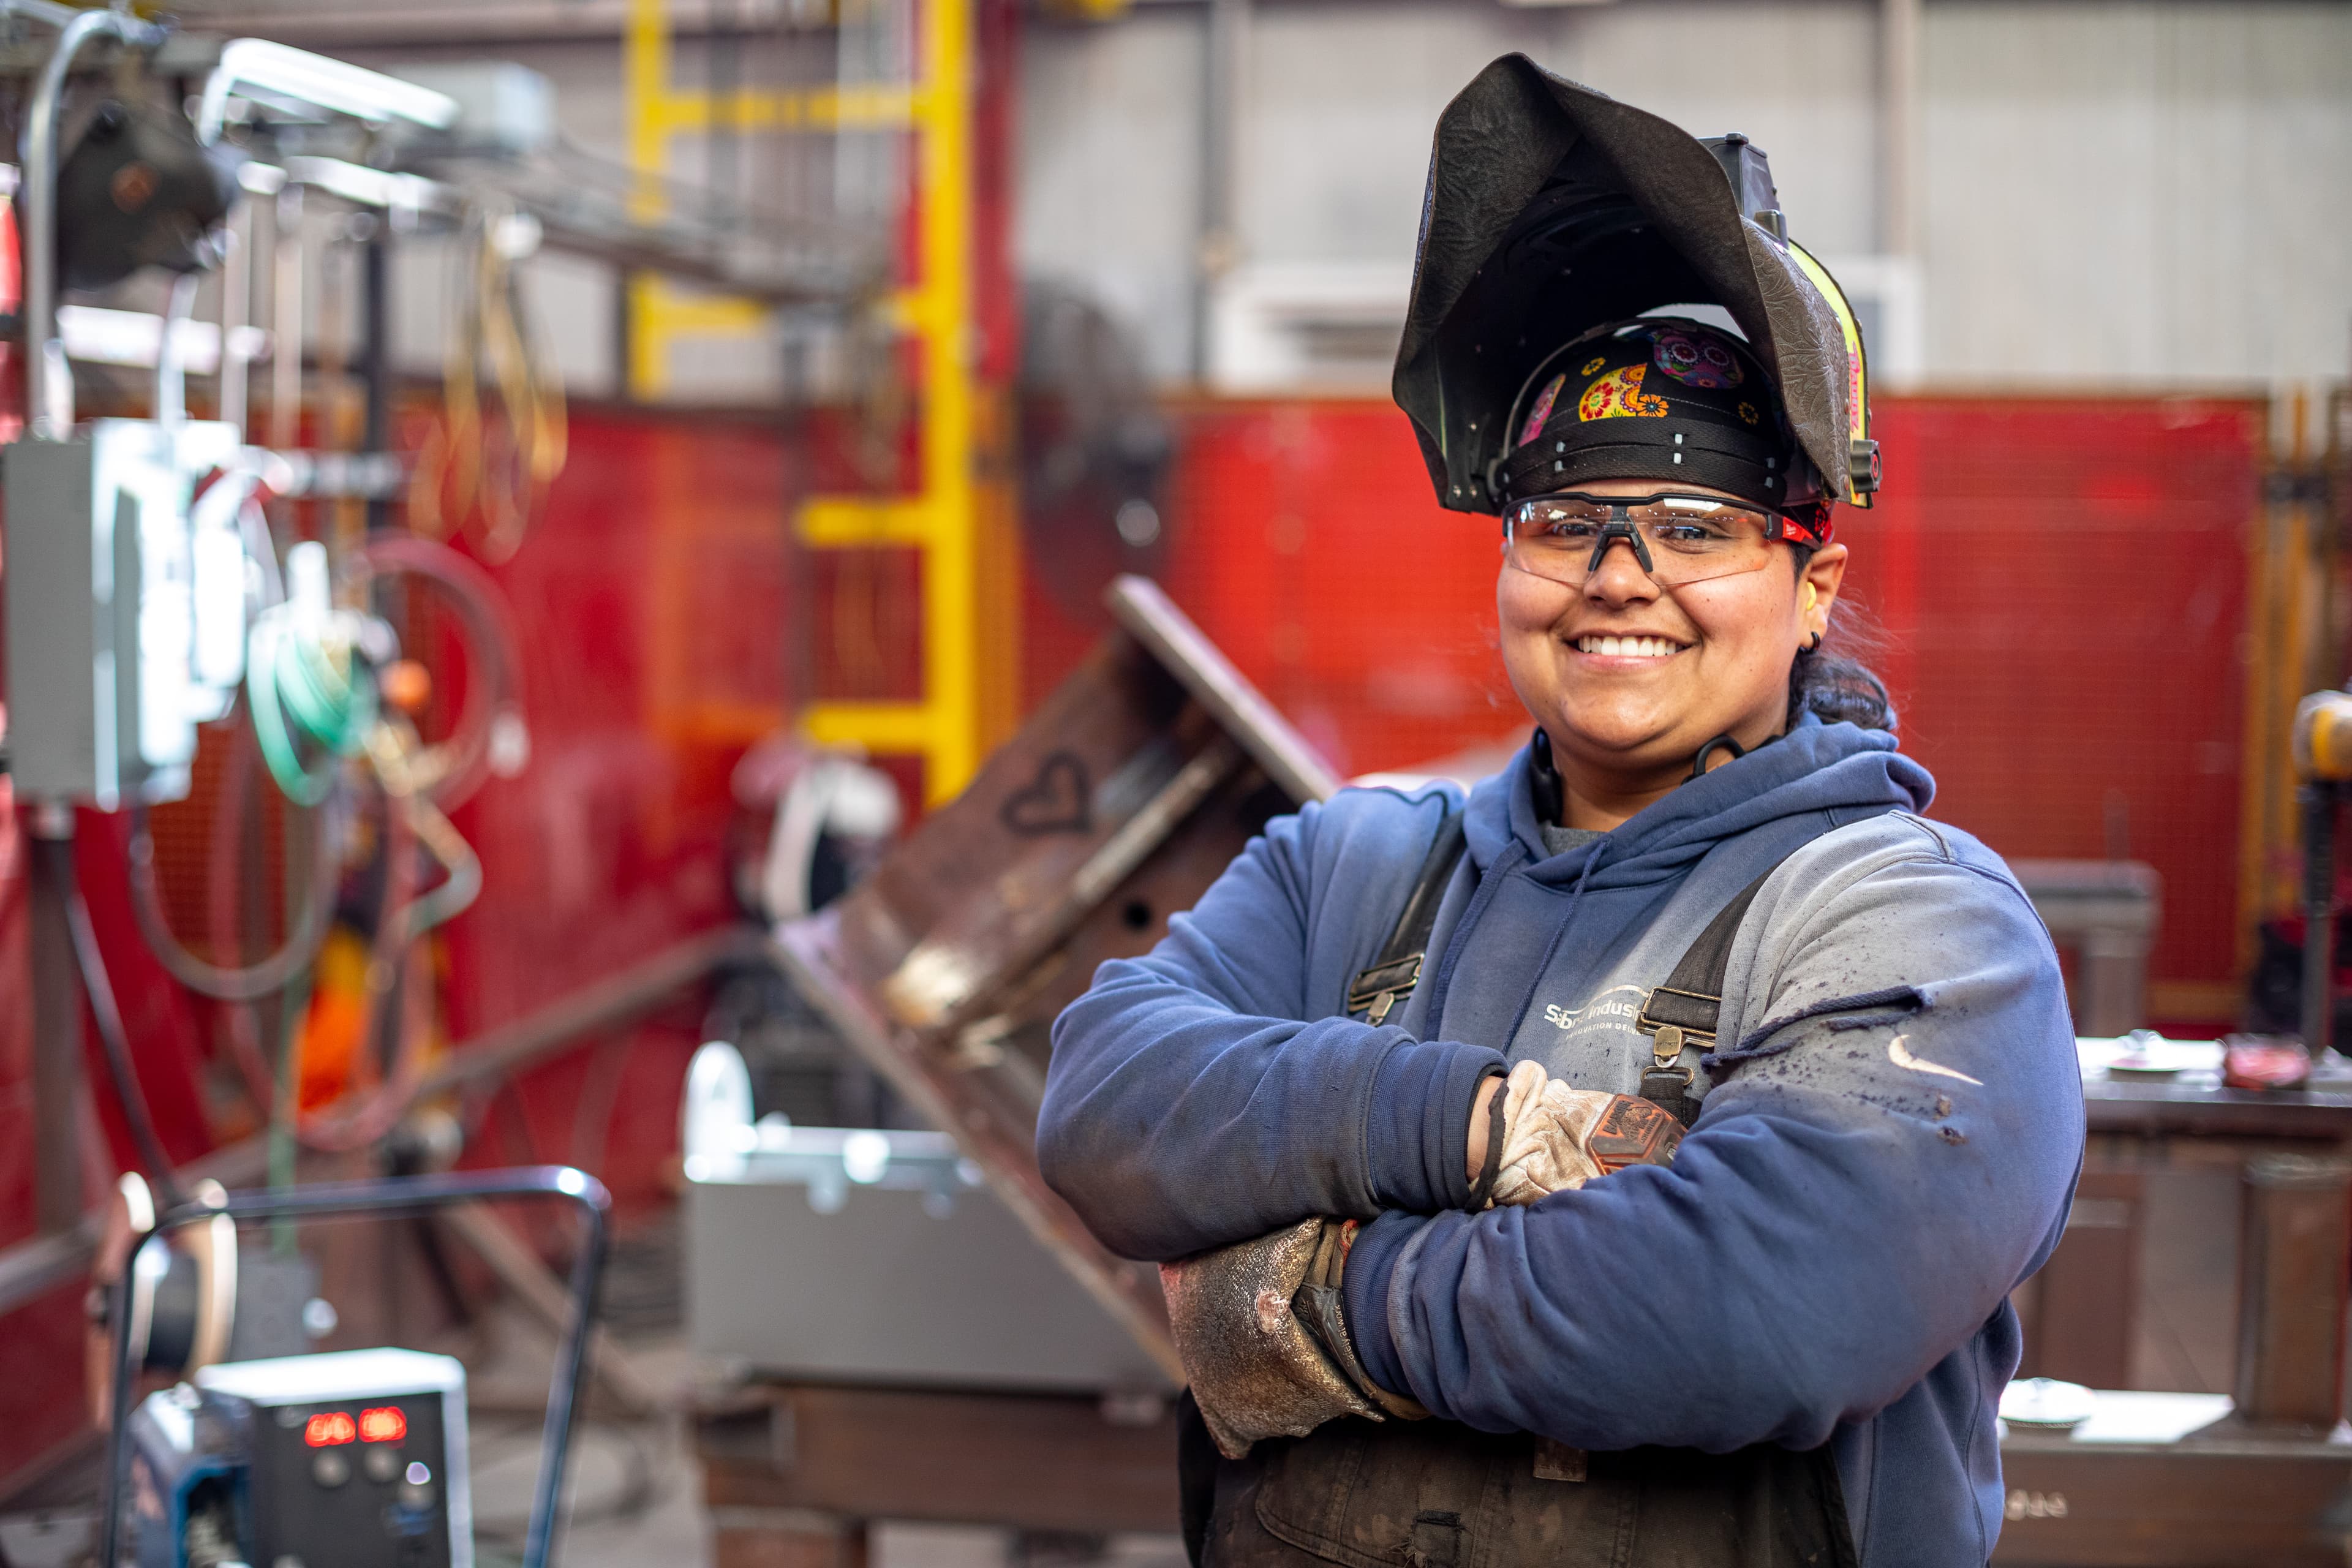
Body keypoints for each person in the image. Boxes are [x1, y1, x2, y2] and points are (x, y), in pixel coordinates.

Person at [1037, 55, 2083, 1568]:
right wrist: (1471, 1127)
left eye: (1695, 528)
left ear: (1813, 586)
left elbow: (1746, 1315)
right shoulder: (1354, 863)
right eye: (1567, 522)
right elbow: (1105, 1107)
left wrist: (1308, 1298)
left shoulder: (1916, 926)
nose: (1617, 576)